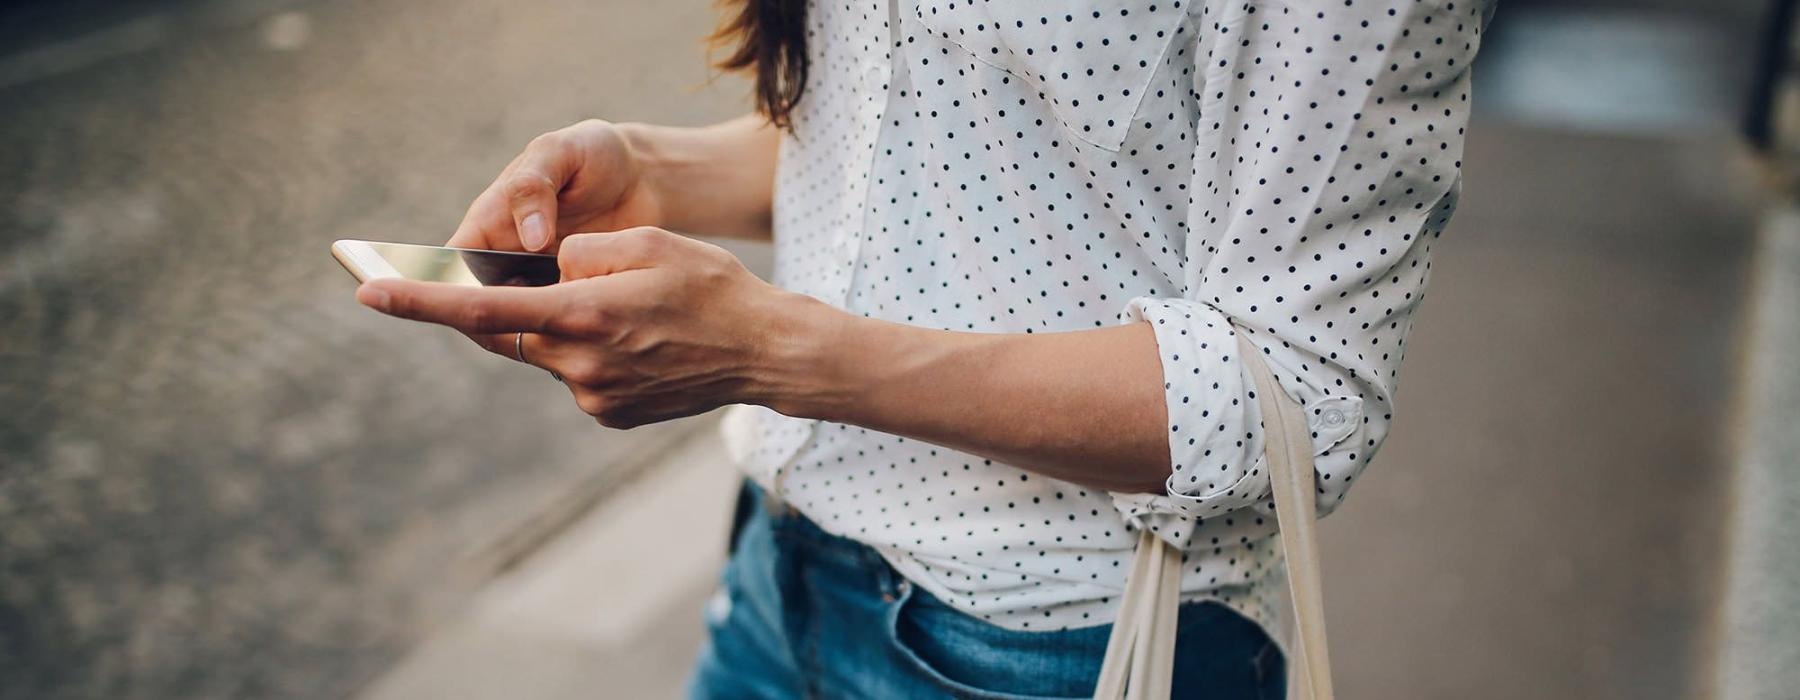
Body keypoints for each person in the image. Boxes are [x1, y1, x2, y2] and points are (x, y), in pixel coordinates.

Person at [355, 0, 1489, 696]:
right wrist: (653, 169)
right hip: (777, 575)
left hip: (1054, 644)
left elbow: (1301, 387)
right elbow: (928, 132)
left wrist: (777, 352)